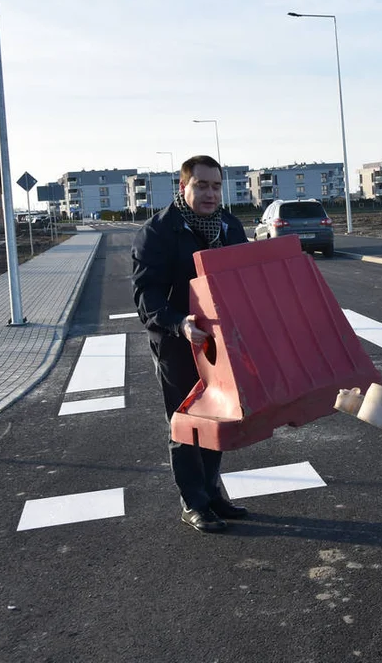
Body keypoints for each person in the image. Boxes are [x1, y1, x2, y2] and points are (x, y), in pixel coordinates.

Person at [132, 154, 250, 533]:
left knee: (217, 417)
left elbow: (242, 280)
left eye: (216, 186)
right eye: (201, 185)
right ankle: (194, 503)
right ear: (183, 187)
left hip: (219, 345)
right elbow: (146, 295)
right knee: (185, 423)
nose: (211, 193)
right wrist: (178, 323)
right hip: (177, 341)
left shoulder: (230, 227)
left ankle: (213, 495)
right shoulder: (158, 232)